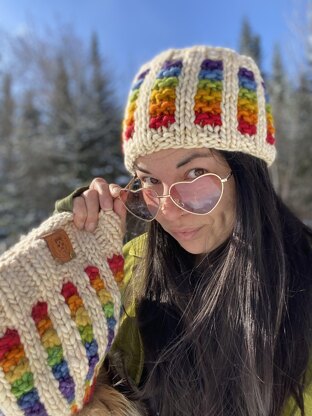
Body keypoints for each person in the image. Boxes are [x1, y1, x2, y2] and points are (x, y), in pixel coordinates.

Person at [55, 45, 312, 416]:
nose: (169, 211)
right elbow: (59, 375)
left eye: (194, 174)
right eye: (149, 180)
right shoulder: (129, 268)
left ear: (246, 172)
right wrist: (70, 247)